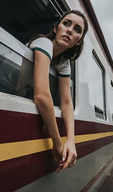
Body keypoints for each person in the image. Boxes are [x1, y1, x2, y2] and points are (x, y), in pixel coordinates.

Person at [28, 10, 88, 172]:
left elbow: (67, 103)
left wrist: (71, 140)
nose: (69, 30)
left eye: (77, 30)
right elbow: (41, 95)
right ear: (56, 28)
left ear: (77, 42)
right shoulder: (43, 43)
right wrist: (57, 143)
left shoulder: (63, 63)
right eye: (66, 23)